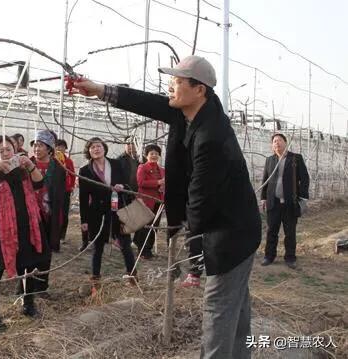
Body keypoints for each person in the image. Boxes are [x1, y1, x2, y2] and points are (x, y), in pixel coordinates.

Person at [72, 55, 261, 358]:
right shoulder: (187, 111)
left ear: (199, 89)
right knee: (235, 305)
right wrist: (98, 89)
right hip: (229, 224)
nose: (170, 88)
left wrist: (188, 239)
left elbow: (199, 196)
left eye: (176, 82)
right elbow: (146, 102)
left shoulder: (211, 135)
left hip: (231, 232)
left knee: (218, 306)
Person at [0, 135, 49, 328]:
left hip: (25, 228)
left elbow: (40, 183)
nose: (6, 152)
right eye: (1, 150)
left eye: (9, 148)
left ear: (15, 150)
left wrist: (30, 166)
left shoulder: (22, 171)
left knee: (28, 267)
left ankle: (28, 303)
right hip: (0, 232)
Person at [78, 137, 137, 285]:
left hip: (117, 209)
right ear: (88, 152)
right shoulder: (85, 171)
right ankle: (95, 277)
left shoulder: (116, 164)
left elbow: (127, 183)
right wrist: (84, 220)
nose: (96, 149)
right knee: (97, 246)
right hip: (97, 212)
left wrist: (122, 187)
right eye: (92, 148)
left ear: (104, 148)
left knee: (125, 243)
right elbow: (83, 197)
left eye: (98, 146)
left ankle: (132, 275)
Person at [260, 133, 310, 269]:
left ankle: (290, 258)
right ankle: (269, 256)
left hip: (290, 203)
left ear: (285, 142)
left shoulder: (295, 158)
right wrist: (263, 198)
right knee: (272, 231)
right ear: (272, 145)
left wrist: (303, 198)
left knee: (290, 232)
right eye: (274, 141)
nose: (277, 143)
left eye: (279, 140)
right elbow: (265, 180)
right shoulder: (270, 160)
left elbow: (304, 178)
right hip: (273, 202)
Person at [30, 130, 66, 295]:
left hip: (48, 215)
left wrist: (58, 219)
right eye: (35, 145)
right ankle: (25, 286)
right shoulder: (27, 164)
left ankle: (42, 287)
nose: (36, 149)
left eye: (41, 145)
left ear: (50, 148)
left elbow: (60, 196)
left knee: (45, 253)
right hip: (29, 215)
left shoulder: (58, 168)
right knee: (28, 252)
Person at [133, 144, 165, 259]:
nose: (154, 155)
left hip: (158, 201)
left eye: (156, 154)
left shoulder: (162, 170)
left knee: (154, 226)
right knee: (145, 225)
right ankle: (142, 250)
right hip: (146, 201)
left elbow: (163, 184)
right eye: (152, 153)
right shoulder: (142, 167)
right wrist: (158, 183)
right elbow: (141, 183)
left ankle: (148, 248)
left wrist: (163, 186)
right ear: (147, 155)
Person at [55, 139, 76, 243]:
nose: (60, 148)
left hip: (65, 190)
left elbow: (72, 175)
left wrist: (71, 186)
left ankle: (62, 236)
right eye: (58, 146)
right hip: (54, 190)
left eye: (62, 146)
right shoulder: (52, 160)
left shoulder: (68, 161)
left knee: (64, 213)